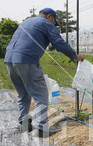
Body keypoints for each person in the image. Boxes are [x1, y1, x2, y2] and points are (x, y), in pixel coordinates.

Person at [5, 7, 84, 137]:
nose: (54, 25)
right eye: (54, 22)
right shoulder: (46, 23)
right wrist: (74, 56)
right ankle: (41, 129)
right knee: (41, 94)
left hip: (9, 60)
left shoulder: (27, 22)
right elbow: (58, 43)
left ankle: (24, 125)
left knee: (23, 94)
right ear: (49, 17)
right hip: (26, 59)